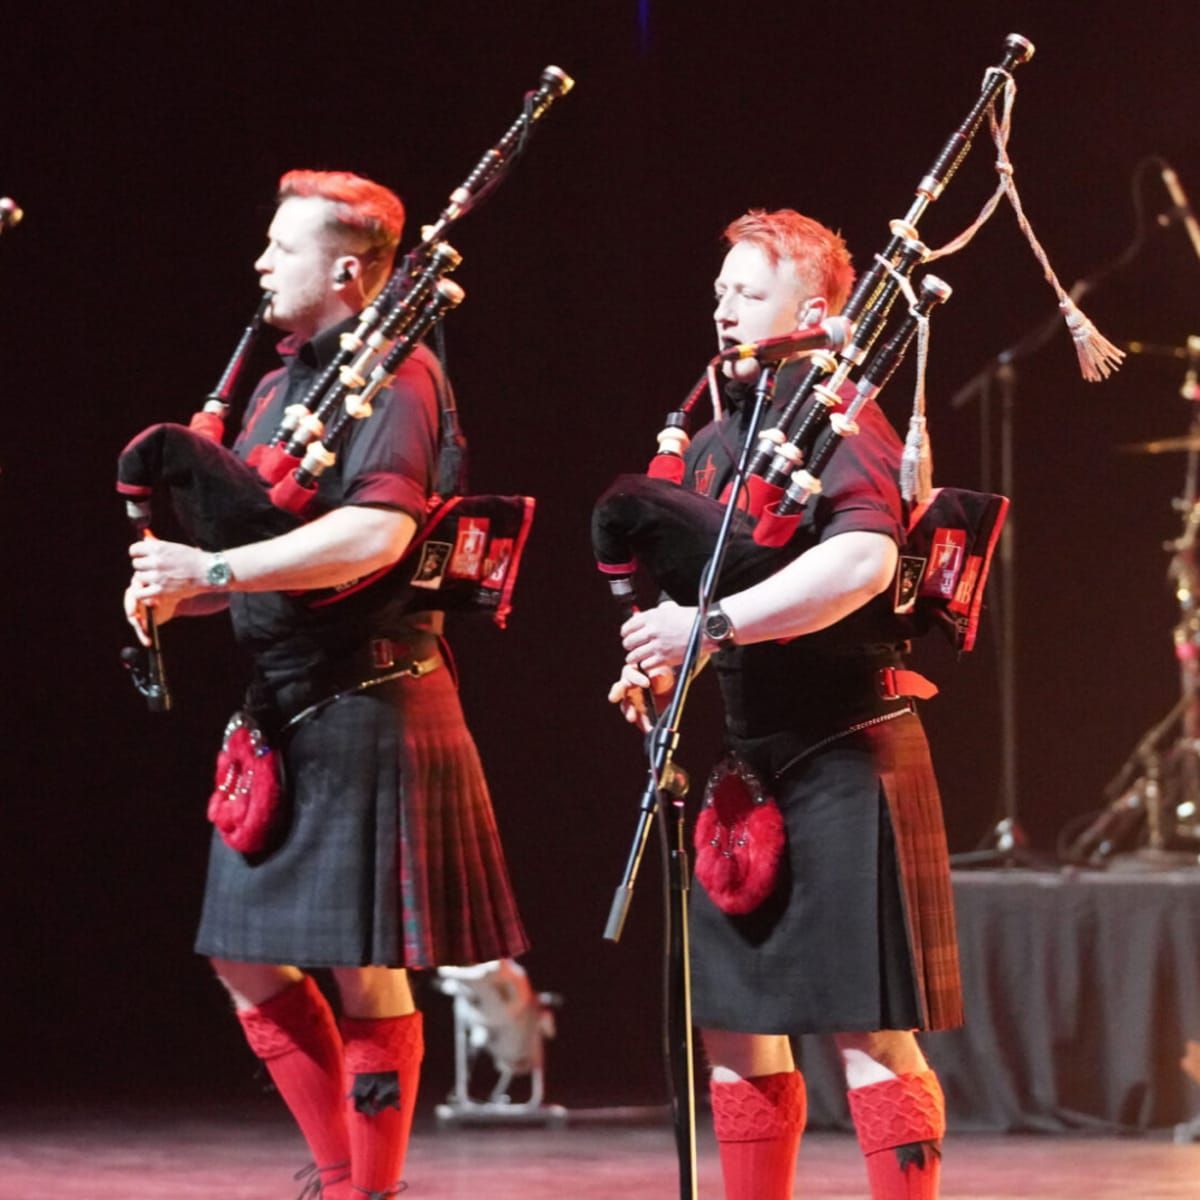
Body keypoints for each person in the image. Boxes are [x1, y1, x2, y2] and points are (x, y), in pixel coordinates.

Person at [125, 170, 528, 1200]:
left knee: (366, 966)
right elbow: (268, 551)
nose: (260, 262)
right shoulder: (275, 390)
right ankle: (347, 1172)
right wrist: (188, 591)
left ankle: (364, 1186)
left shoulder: (402, 378)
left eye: (280, 246)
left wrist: (213, 571)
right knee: (244, 960)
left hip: (372, 698)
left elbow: (374, 535)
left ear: (348, 270)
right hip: (285, 706)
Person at [609, 209, 962, 1200]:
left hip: (852, 752)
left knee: (865, 1033)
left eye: (748, 292)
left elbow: (862, 560)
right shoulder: (722, 439)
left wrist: (707, 627)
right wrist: (657, 660)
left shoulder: (837, 415)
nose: (723, 308)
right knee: (736, 1029)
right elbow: (695, 592)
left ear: (810, 309)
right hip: (754, 765)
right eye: (719, 290)